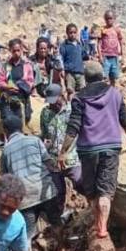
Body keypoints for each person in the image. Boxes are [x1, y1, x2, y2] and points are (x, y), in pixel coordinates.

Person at [60, 61, 126, 239]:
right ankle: (102, 228)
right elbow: (125, 119)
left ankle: (96, 221)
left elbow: (73, 127)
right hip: (111, 146)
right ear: (102, 75)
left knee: (91, 189)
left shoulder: (79, 98)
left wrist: (63, 152)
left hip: (88, 149)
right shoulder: (115, 93)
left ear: (85, 78)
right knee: (105, 189)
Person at [0, 115, 61, 245]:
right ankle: (62, 250)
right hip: (45, 191)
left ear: (5, 131)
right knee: (56, 223)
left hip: (25, 198)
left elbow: (6, 179)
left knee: (27, 235)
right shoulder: (35, 140)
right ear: (21, 127)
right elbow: (49, 163)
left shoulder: (6, 150)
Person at [40, 83, 82, 219]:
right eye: (50, 102)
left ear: (61, 96)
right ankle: (58, 219)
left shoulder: (72, 111)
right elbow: (45, 135)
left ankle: (86, 210)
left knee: (80, 182)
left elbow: (79, 132)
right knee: (57, 191)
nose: (52, 104)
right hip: (53, 160)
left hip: (71, 157)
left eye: (55, 100)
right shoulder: (45, 113)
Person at [0, 38, 36, 126]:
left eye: (18, 50)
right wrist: (8, 87)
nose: (16, 53)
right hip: (8, 99)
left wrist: (23, 87)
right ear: (10, 51)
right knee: (8, 123)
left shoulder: (27, 65)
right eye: (14, 51)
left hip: (22, 99)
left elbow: (31, 80)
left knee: (22, 123)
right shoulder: (5, 66)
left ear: (21, 50)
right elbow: (0, 81)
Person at [58, 23, 87, 93]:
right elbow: (61, 58)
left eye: (74, 32)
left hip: (80, 72)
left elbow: (84, 56)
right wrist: (62, 70)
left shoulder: (79, 45)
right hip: (69, 73)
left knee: (83, 90)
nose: (73, 34)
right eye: (70, 33)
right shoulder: (64, 45)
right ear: (67, 33)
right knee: (70, 91)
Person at [98, 11, 124, 87]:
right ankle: (104, 91)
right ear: (104, 19)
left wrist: (122, 55)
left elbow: (121, 41)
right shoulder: (102, 29)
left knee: (113, 76)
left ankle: (112, 90)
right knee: (105, 75)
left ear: (114, 19)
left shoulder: (117, 30)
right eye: (107, 19)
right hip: (105, 56)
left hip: (114, 56)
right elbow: (99, 43)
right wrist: (100, 56)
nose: (109, 20)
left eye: (110, 18)